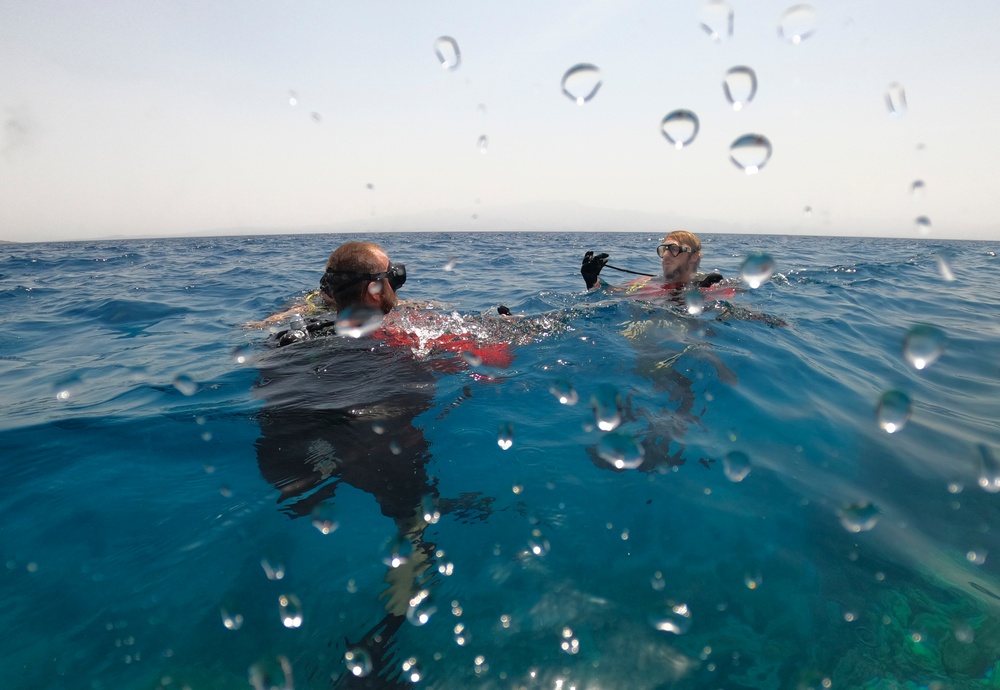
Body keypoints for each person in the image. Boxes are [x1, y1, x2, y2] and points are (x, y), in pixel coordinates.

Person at [581, 230, 728, 299]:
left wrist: (700, 293)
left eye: (674, 249)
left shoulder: (711, 286)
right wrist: (592, 280)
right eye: (664, 250)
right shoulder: (648, 283)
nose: (665, 255)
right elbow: (614, 293)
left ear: (693, 257)